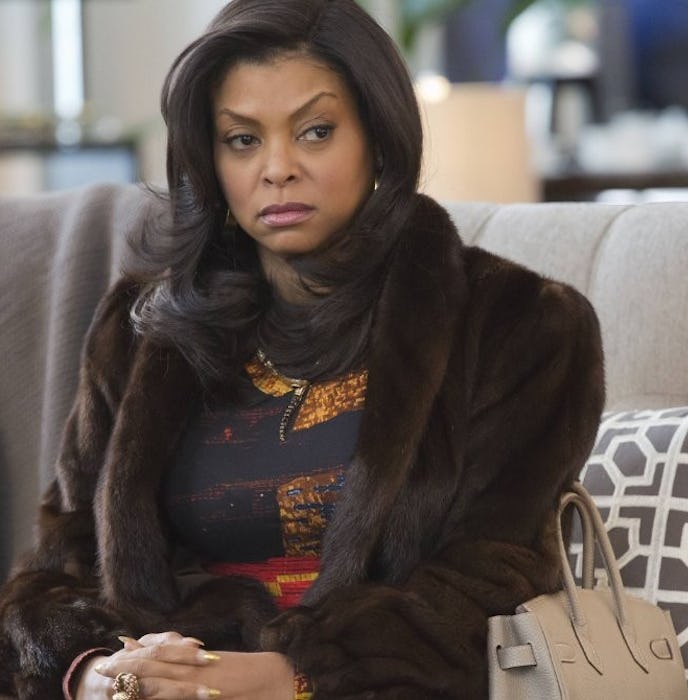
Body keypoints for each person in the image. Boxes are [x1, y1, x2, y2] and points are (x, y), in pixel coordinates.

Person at [0, 1, 605, 699]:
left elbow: (490, 585)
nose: (277, 168)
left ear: (379, 136)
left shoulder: (521, 325)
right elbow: (55, 572)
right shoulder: (142, 328)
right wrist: (95, 675)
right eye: (242, 140)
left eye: (316, 131)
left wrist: (289, 677)